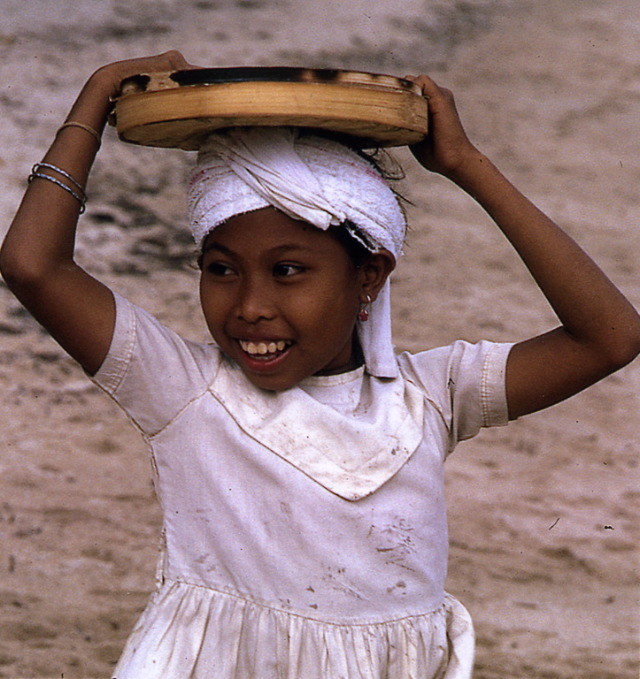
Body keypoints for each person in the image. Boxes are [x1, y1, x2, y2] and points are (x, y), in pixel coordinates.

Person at [1, 50, 639, 679]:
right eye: (220, 269)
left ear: (369, 275)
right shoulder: (184, 390)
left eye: (288, 271)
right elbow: (34, 264)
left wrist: (468, 166)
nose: (250, 306)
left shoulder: (431, 396)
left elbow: (609, 337)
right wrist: (95, 96)